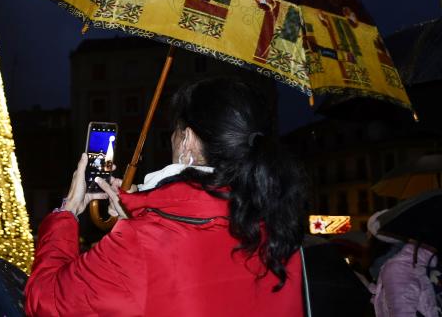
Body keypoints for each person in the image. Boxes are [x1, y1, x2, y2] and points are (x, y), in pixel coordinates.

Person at [25, 77, 307, 316]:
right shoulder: (279, 230)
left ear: (188, 140)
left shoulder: (143, 241)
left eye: (175, 131)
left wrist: (67, 212)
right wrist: (138, 210)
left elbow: (45, 300)